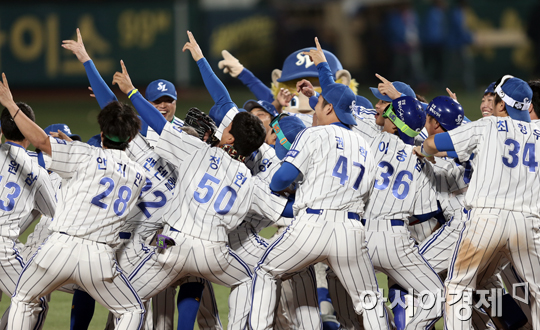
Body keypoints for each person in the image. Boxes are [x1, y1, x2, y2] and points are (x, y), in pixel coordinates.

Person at [113, 31, 292, 330]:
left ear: (231, 136)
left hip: (170, 243)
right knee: (250, 278)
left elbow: (159, 123)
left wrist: (132, 92)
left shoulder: (197, 151)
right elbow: (283, 211)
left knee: (129, 302)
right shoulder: (250, 181)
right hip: (214, 253)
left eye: (228, 127)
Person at [250, 38, 389, 330]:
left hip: (312, 225)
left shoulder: (313, 135)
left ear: (329, 109)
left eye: (319, 105)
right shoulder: (365, 145)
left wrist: (284, 187)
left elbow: (280, 179)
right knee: (370, 298)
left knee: (265, 271)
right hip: (351, 230)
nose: (314, 110)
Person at [0, 72, 146, 330]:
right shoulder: (139, 177)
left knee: (23, 299)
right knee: (132, 310)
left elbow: (41, 141)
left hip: (59, 248)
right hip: (99, 258)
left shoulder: (83, 155)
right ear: (131, 138)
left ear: (101, 133)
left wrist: (11, 105)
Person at [417, 75, 540, 329]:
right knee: (536, 291)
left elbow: (433, 143)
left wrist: (425, 149)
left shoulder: (488, 126)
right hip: (527, 224)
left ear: (503, 105)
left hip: (486, 221)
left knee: (459, 286)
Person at [0, 102, 57, 330]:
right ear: (29, 130)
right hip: (3, 249)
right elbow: (55, 214)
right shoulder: (37, 171)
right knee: (35, 300)